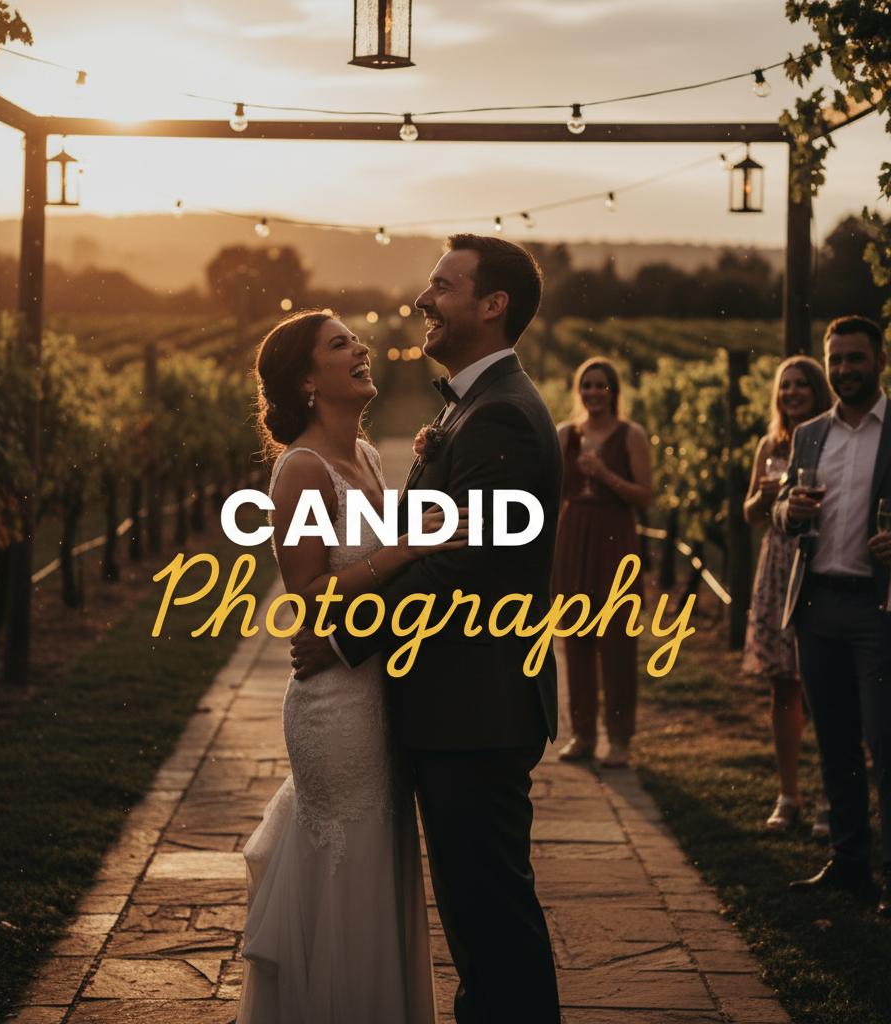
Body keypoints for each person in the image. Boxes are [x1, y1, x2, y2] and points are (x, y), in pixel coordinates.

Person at [293, 234, 563, 1024]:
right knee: (480, 928)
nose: (422, 300)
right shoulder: (478, 408)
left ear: (492, 305)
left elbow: (466, 565)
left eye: (441, 286)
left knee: (493, 929)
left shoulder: (500, 418)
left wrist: (349, 638)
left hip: (475, 712)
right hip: (461, 712)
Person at [237, 309, 467, 1023]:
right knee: (349, 860)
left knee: (381, 859)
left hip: (380, 692)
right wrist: (402, 552)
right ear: (308, 381)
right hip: (334, 706)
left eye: (354, 340)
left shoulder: (365, 456)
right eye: (341, 344)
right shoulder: (299, 471)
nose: (361, 348)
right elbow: (307, 595)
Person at [772, 315, 891, 920]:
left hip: (878, 607)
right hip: (815, 603)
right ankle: (849, 862)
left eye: (856, 358)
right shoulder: (810, 433)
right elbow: (782, 513)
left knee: (884, 740)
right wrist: (788, 509)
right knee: (836, 740)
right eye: (836, 359)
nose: (845, 370)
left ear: (879, 359)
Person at [742, 356, 832, 832]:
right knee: (782, 683)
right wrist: (764, 495)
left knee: (824, 688)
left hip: (816, 562)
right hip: (777, 566)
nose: (791, 393)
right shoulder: (770, 444)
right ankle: (788, 795)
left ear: (818, 390)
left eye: (801, 385)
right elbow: (751, 514)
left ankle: (828, 797)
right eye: (785, 386)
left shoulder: (831, 440)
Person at [551, 358, 652, 768]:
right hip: (575, 535)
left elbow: (644, 495)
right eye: (587, 385)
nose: (593, 392)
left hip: (615, 537)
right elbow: (551, 492)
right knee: (574, 642)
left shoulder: (632, 435)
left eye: (601, 385)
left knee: (617, 644)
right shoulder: (564, 434)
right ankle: (582, 735)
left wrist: (605, 475)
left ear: (614, 391)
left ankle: (620, 739)